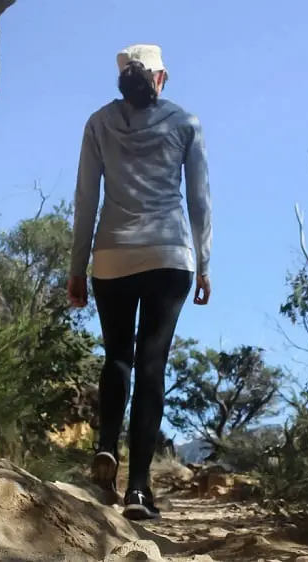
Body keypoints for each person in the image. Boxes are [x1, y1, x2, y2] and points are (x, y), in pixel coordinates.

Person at [67, 44, 213, 521]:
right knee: (153, 365)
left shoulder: (97, 123)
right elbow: (199, 201)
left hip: (111, 254)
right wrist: (204, 262)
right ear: (161, 78)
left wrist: (76, 267)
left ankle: (107, 445)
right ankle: (138, 489)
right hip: (169, 254)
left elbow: (86, 198)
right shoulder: (185, 122)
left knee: (117, 356)